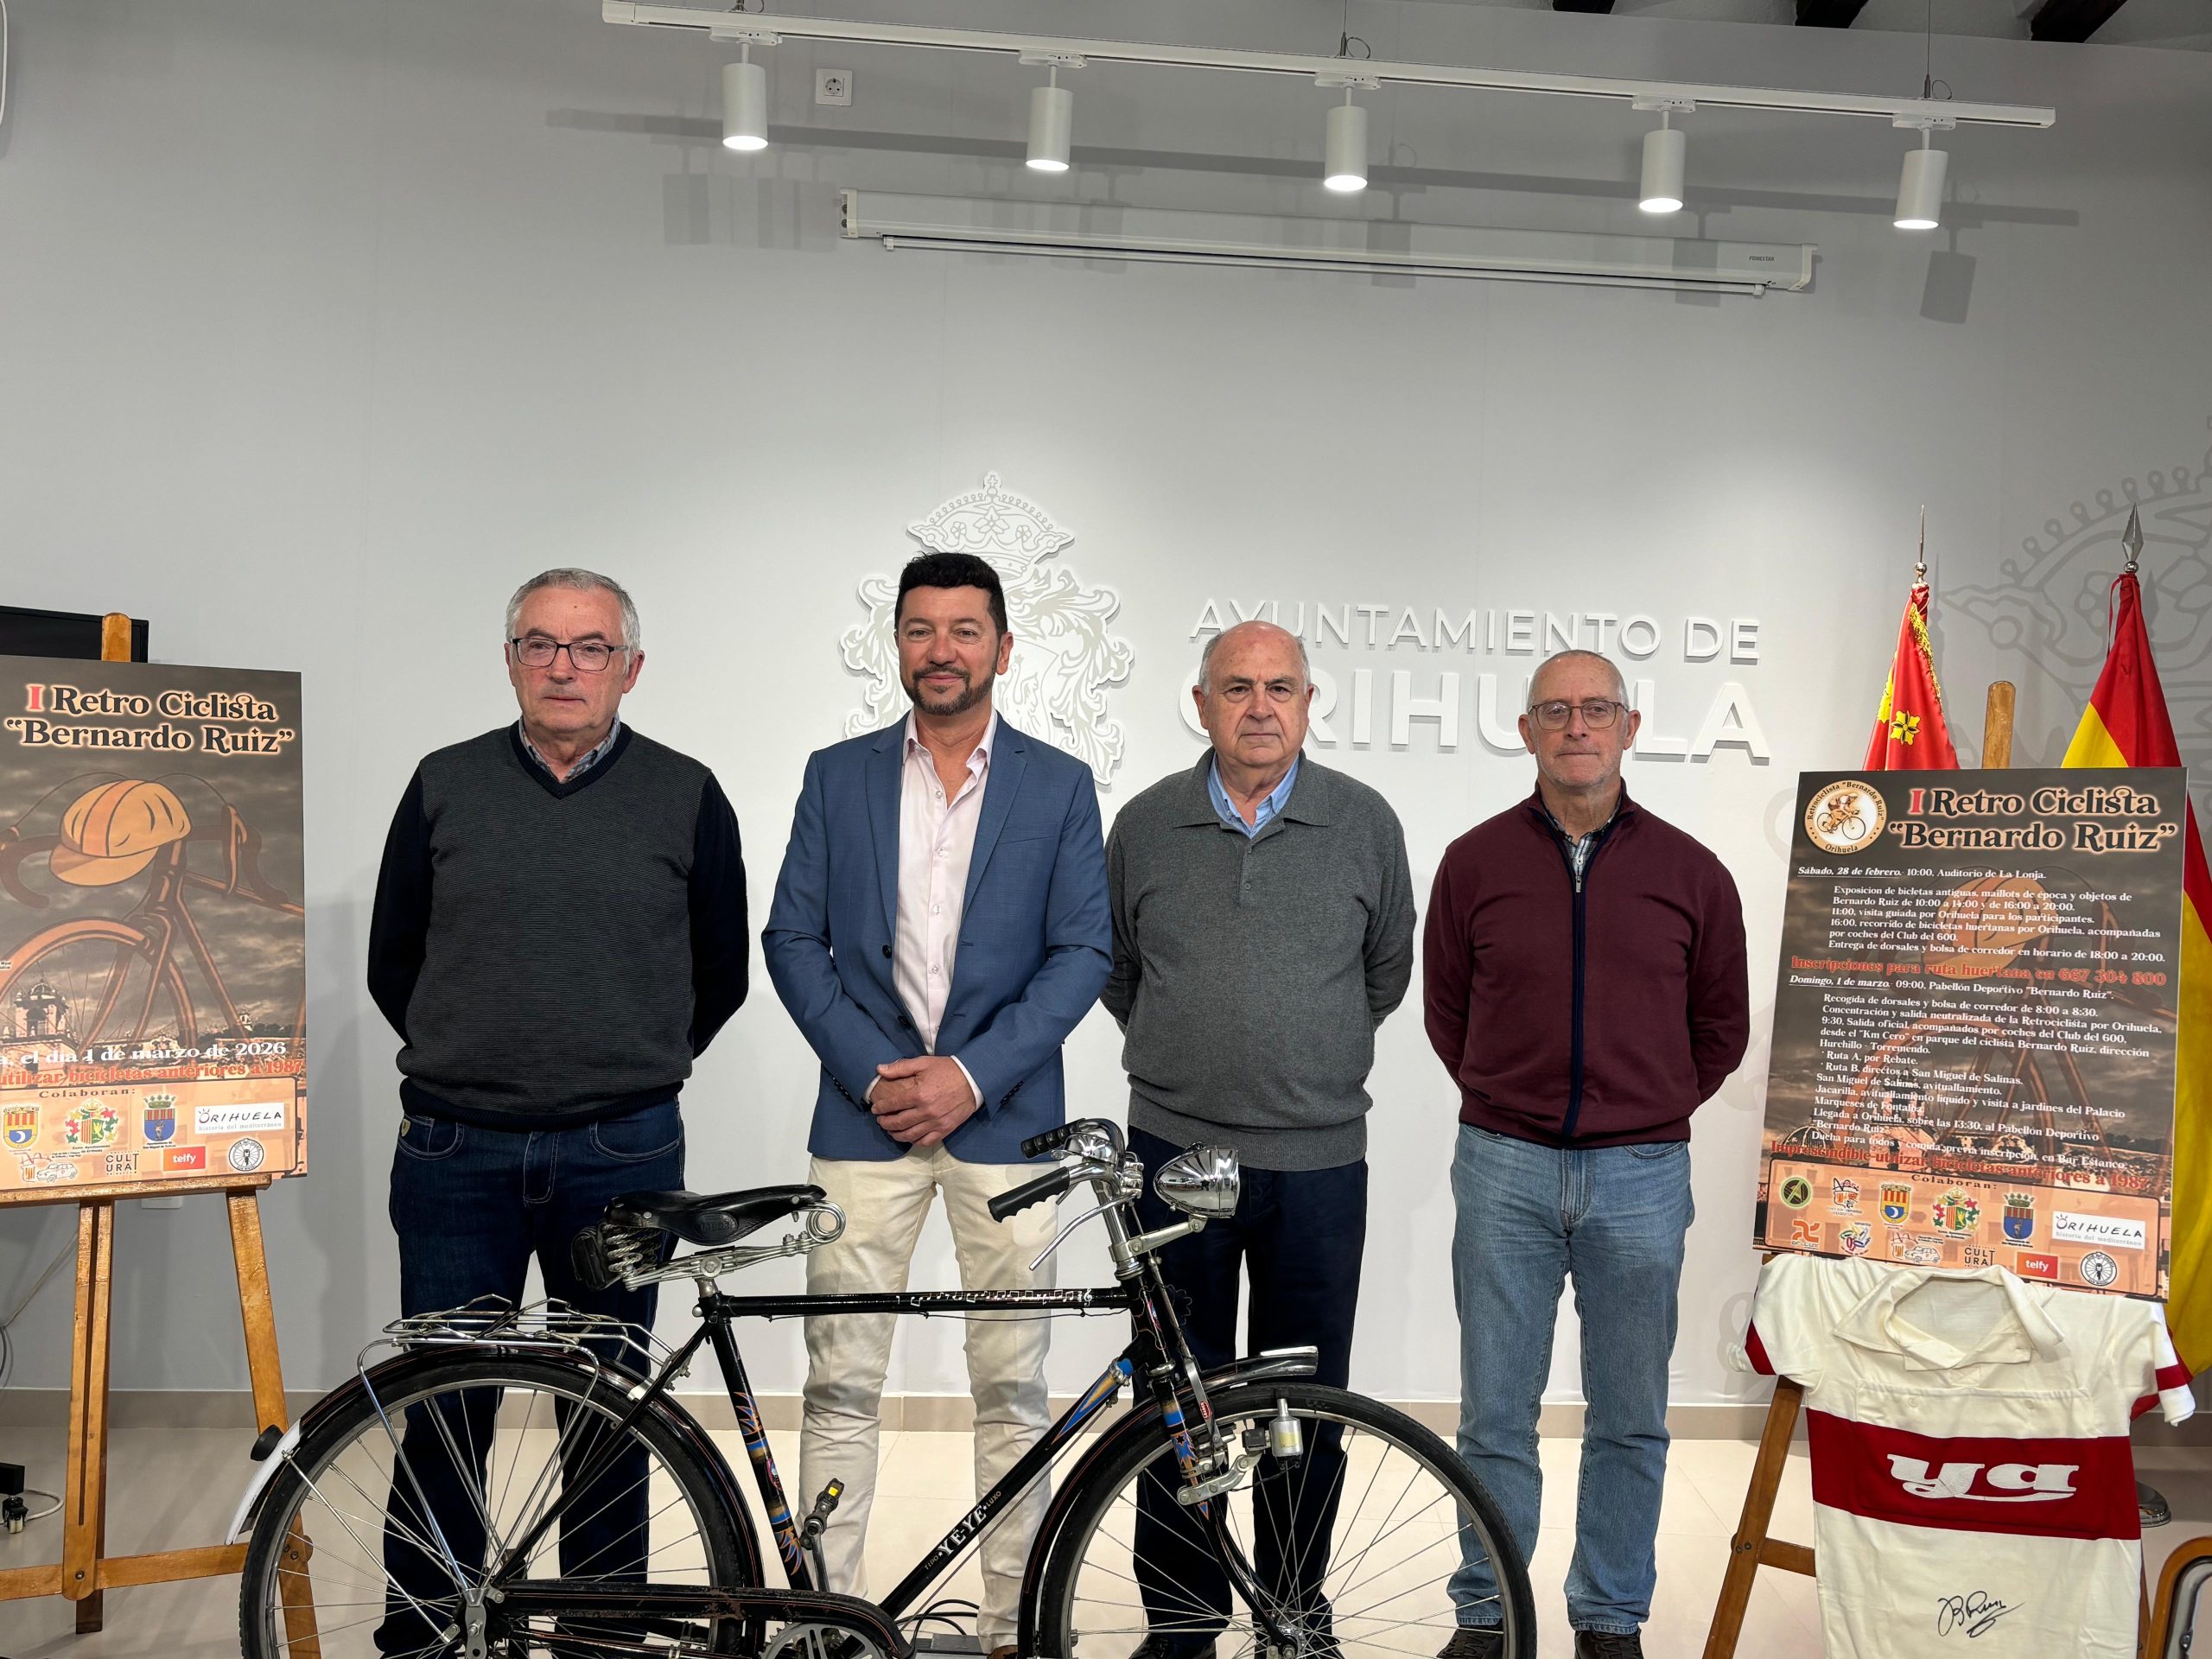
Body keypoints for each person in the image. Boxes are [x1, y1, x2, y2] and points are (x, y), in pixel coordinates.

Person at [365, 567, 749, 1652]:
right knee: (446, 1410)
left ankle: (599, 1635)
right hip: (455, 1149)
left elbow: (719, 973)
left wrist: (623, 1061)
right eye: (540, 644)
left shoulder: (687, 792)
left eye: (590, 648)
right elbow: (394, 959)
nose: (564, 667)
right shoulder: (443, 782)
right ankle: (427, 1633)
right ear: (509, 661)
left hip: (621, 1151)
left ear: (631, 668)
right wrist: (484, 1055)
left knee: (610, 1414)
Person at [762, 550, 1110, 1659]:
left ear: (1003, 648)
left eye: (965, 630)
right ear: (898, 645)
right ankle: (826, 1630)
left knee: (1013, 1390)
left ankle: (1013, 1630)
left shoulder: (1059, 784)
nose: (941, 650)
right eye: (921, 629)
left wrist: (969, 1076)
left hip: (1005, 1123)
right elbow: (791, 938)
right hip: (863, 1120)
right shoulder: (837, 775)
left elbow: (1081, 952)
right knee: (839, 1381)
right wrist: (878, 1073)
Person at [1423, 649, 1748, 1659]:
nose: (1576, 727)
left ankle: (1609, 1618)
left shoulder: (1692, 872)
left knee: (1629, 1416)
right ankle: (1488, 1614)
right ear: (1525, 730)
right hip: (1503, 1166)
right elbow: (1446, 1011)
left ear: (1629, 727)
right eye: (1555, 711)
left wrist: (1646, 1107)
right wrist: (1508, 1099)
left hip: (1640, 1176)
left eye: (1596, 709)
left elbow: (1721, 1026)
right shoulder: (1473, 862)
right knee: (1494, 1414)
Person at [1103, 619, 1416, 1659]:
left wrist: (1303, 1055)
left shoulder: (1363, 822)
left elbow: (1384, 971)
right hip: (1174, 1156)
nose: (1259, 707)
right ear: (1200, 704)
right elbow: (1118, 968)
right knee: (1175, 1403)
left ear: (1308, 702)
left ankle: (1293, 1607)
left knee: (1304, 1408)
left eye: (1279, 687)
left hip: (1317, 1162)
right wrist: (1196, 1057)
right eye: (1235, 687)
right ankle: (1183, 1620)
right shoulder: (1145, 824)